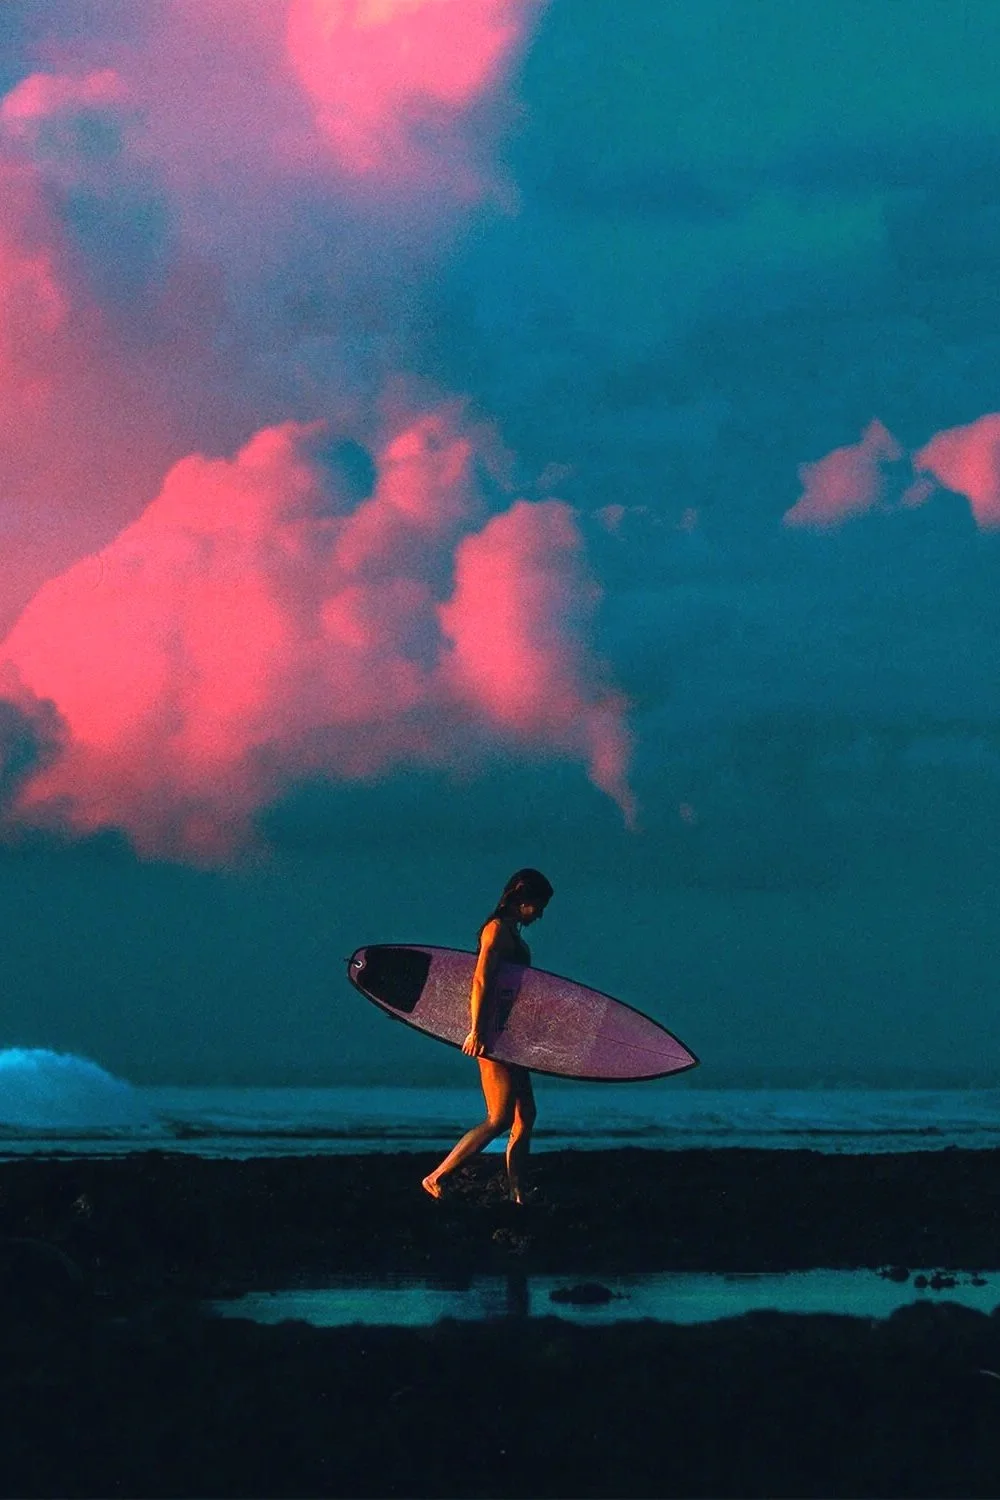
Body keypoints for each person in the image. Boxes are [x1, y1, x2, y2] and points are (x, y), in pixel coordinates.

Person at [421, 867, 554, 1205]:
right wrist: (477, 1031)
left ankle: (517, 1191)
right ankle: (436, 1176)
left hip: (511, 1036)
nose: (540, 914)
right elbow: (481, 980)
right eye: (538, 905)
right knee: (499, 1118)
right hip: (492, 1035)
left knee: (527, 1115)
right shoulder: (495, 931)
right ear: (522, 900)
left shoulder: (513, 934)